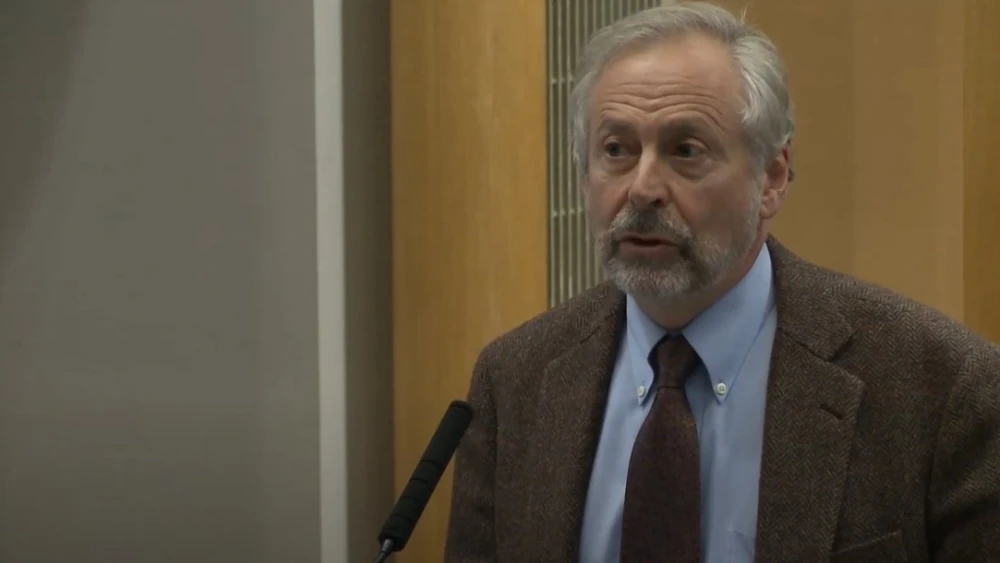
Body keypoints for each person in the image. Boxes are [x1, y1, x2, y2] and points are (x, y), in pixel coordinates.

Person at [444, 2, 1000, 562]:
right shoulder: (514, 381)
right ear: (584, 175)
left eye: (686, 151)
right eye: (616, 150)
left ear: (772, 178)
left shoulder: (941, 387)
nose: (642, 188)